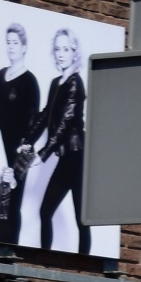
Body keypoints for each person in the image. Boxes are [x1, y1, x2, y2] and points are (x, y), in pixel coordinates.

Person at [32, 28, 88, 254]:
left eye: (66, 49)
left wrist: (43, 153)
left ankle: (86, 267)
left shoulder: (75, 83)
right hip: (66, 158)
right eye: (57, 49)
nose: (61, 54)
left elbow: (65, 123)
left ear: (74, 52)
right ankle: (45, 261)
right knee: (45, 212)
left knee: (82, 219)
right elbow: (46, 115)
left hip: (77, 157)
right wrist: (28, 141)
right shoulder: (56, 83)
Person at [0, 24, 41, 244]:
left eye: (15, 43)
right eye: (8, 43)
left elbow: (35, 119)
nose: (11, 47)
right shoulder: (0, 75)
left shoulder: (30, 82)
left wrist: (25, 147)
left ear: (24, 47)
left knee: (11, 201)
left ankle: (9, 249)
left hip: (16, 151)